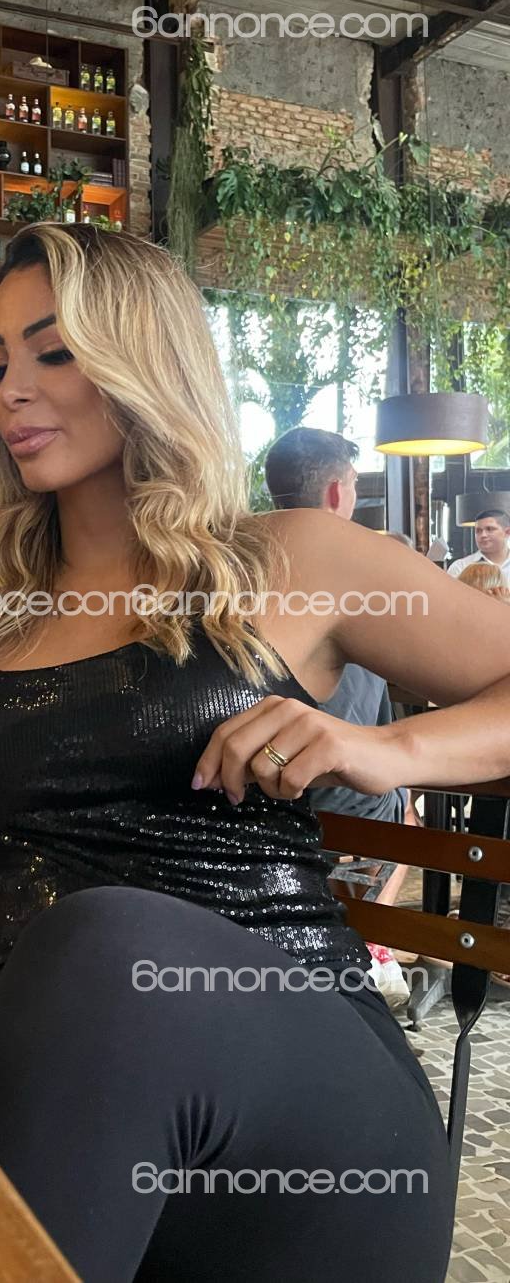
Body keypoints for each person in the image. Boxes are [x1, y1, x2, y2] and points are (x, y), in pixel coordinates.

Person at [0, 224, 510, 1282]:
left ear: (144, 359)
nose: (9, 391)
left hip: (305, 1120)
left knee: (111, 941)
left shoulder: (291, 558)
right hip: (87, 1119)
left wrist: (387, 746)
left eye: (53, 352)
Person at [264, 427, 412, 1003]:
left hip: (250, 796)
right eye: (351, 484)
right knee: (401, 803)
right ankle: (372, 945)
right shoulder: (365, 577)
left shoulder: (236, 565)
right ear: (335, 494)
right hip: (329, 797)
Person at [448, 508, 510, 584]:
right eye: (478, 531)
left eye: (489, 529)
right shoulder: (460, 567)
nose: (483, 535)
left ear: (507, 532)